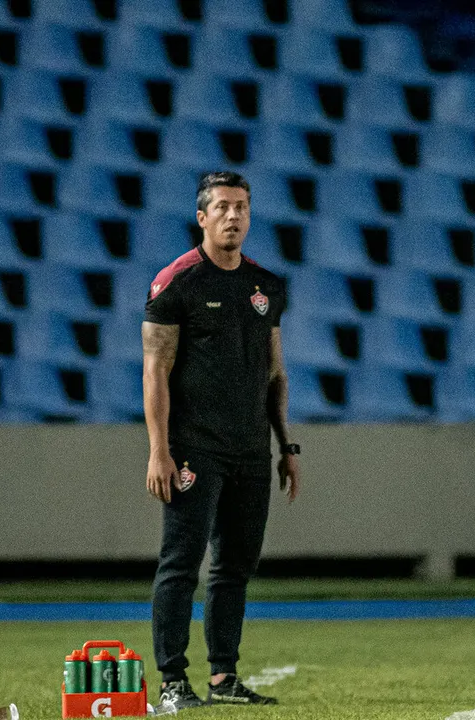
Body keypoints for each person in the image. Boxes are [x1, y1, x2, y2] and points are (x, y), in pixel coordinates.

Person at [142, 171, 301, 710]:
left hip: (251, 450)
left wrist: (286, 447)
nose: (234, 216)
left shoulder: (267, 287)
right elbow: (155, 371)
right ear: (202, 217)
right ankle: (170, 681)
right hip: (193, 448)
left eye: (242, 207)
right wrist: (158, 450)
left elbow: (275, 373)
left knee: (235, 566)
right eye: (223, 208)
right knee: (181, 564)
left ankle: (223, 677)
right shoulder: (177, 282)